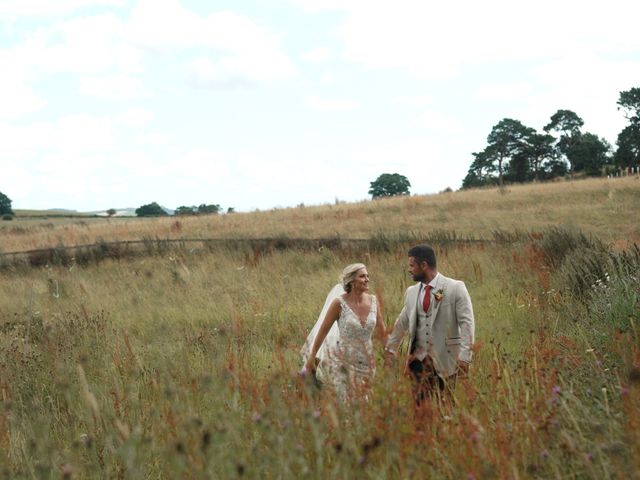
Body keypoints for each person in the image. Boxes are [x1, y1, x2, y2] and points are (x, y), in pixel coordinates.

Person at [385, 245, 475, 404]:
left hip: (446, 361)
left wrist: (465, 356)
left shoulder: (455, 288)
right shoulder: (411, 292)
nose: (409, 269)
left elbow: (467, 323)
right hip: (417, 364)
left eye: (412, 265)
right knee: (419, 412)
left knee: (445, 411)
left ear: (424, 265)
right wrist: (391, 349)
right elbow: (402, 322)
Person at [300, 263, 387, 400]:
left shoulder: (373, 301)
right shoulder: (339, 303)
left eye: (367, 276)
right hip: (343, 364)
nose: (367, 279)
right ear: (351, 281)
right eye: (362, 276)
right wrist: (312, 357)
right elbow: (322, 331)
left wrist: (389, 354)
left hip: (367, 364)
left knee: (363, 405)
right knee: (346, 405)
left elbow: (382, 333)